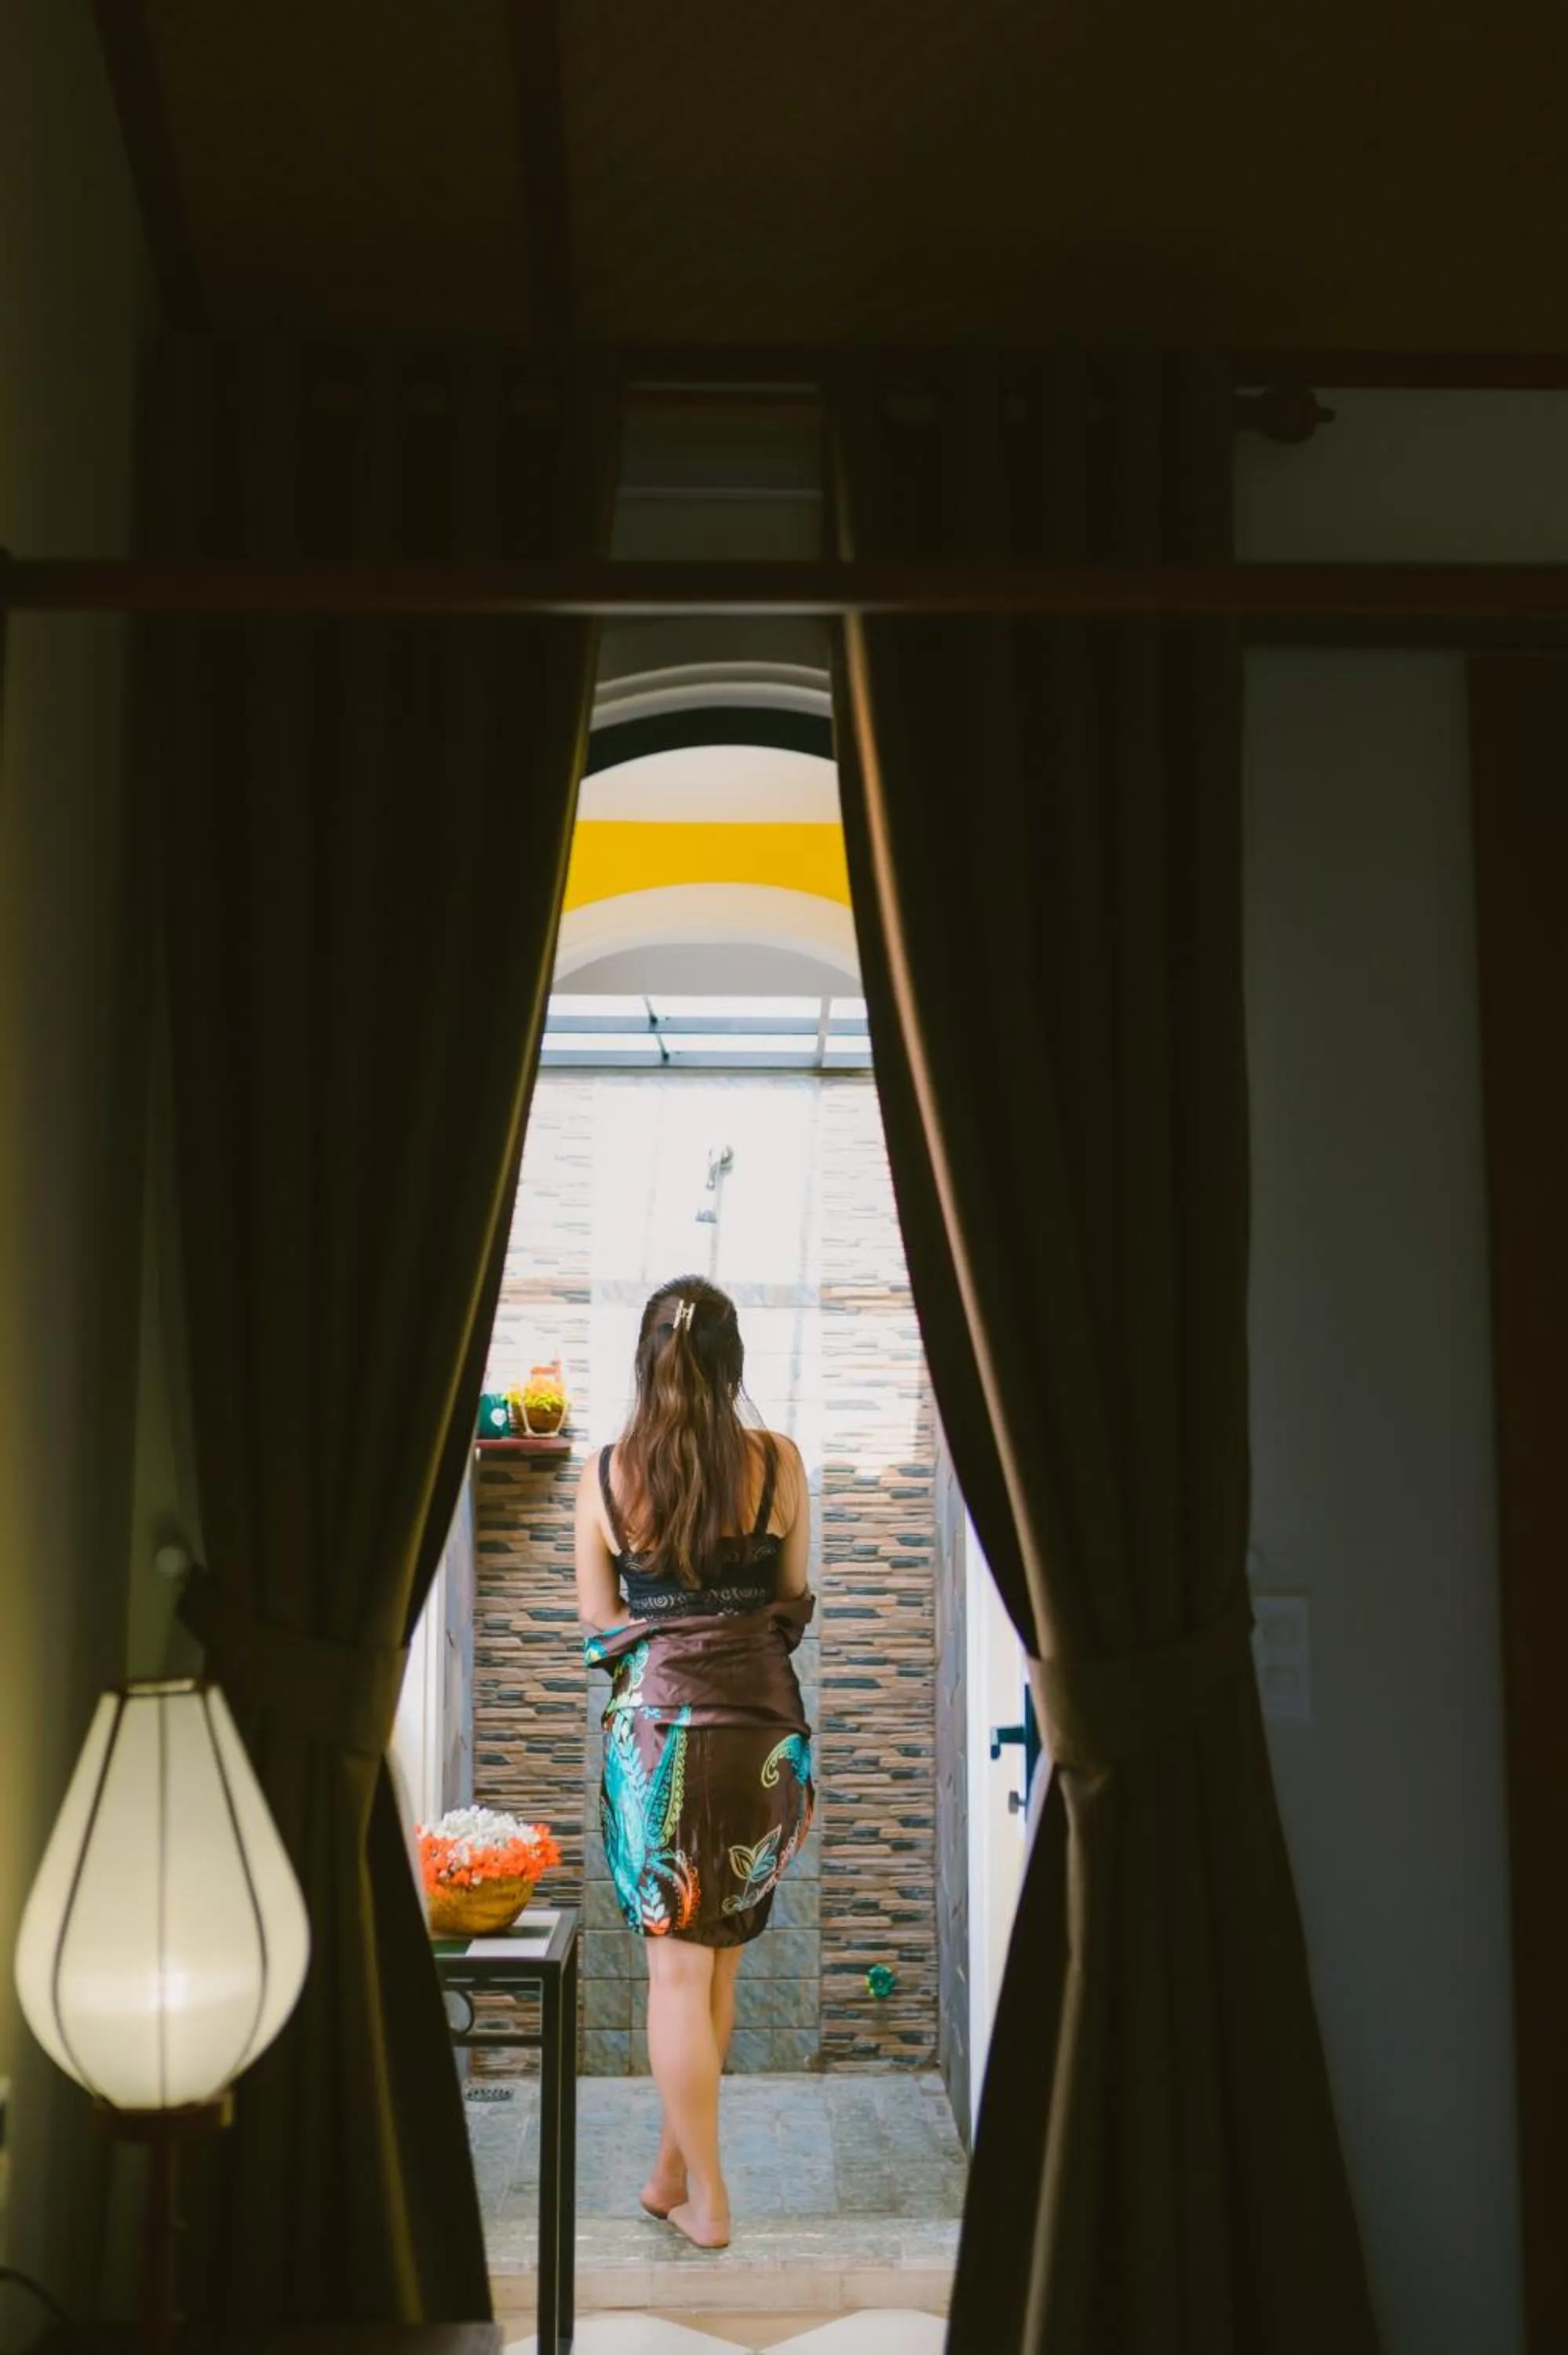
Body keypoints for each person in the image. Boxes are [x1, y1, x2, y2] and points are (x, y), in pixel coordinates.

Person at [574, 1275, 815, 2251]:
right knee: (717, 1967)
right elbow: (792, 1597)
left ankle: (709, 2199)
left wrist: (663, 1636)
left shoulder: (605, 1476)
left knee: (675, 1974)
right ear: (733, 1364)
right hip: (761, 1733)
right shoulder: (780, 1462)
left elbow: (599, 1623)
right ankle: (672, 2173)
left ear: (648, 1362)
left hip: (659, 1737)